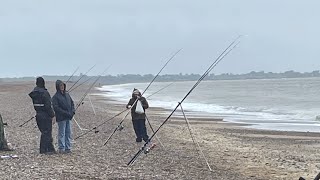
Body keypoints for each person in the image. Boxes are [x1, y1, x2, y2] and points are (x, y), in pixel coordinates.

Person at [29, 77, 56, 154]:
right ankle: (45, 150)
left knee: (44, 132)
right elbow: (48, 106)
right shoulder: (44, 93)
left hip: (38, 114)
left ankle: (49, 149)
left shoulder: (34, 93)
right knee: (47, 132)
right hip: (45, 115)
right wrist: (53, 115)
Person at [52, 80, 75, 153]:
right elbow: (56, 108)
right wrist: (66, 113)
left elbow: (72, 103)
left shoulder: (67, 94)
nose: (62, 87)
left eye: (63, 85)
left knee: (68, 133)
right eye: (60, 86)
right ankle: (61, 148)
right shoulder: (55, 97)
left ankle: (68, 148)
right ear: (58, 87)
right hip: (61, 118)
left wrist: (73, 112)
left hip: (69, 117)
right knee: (62, 133)